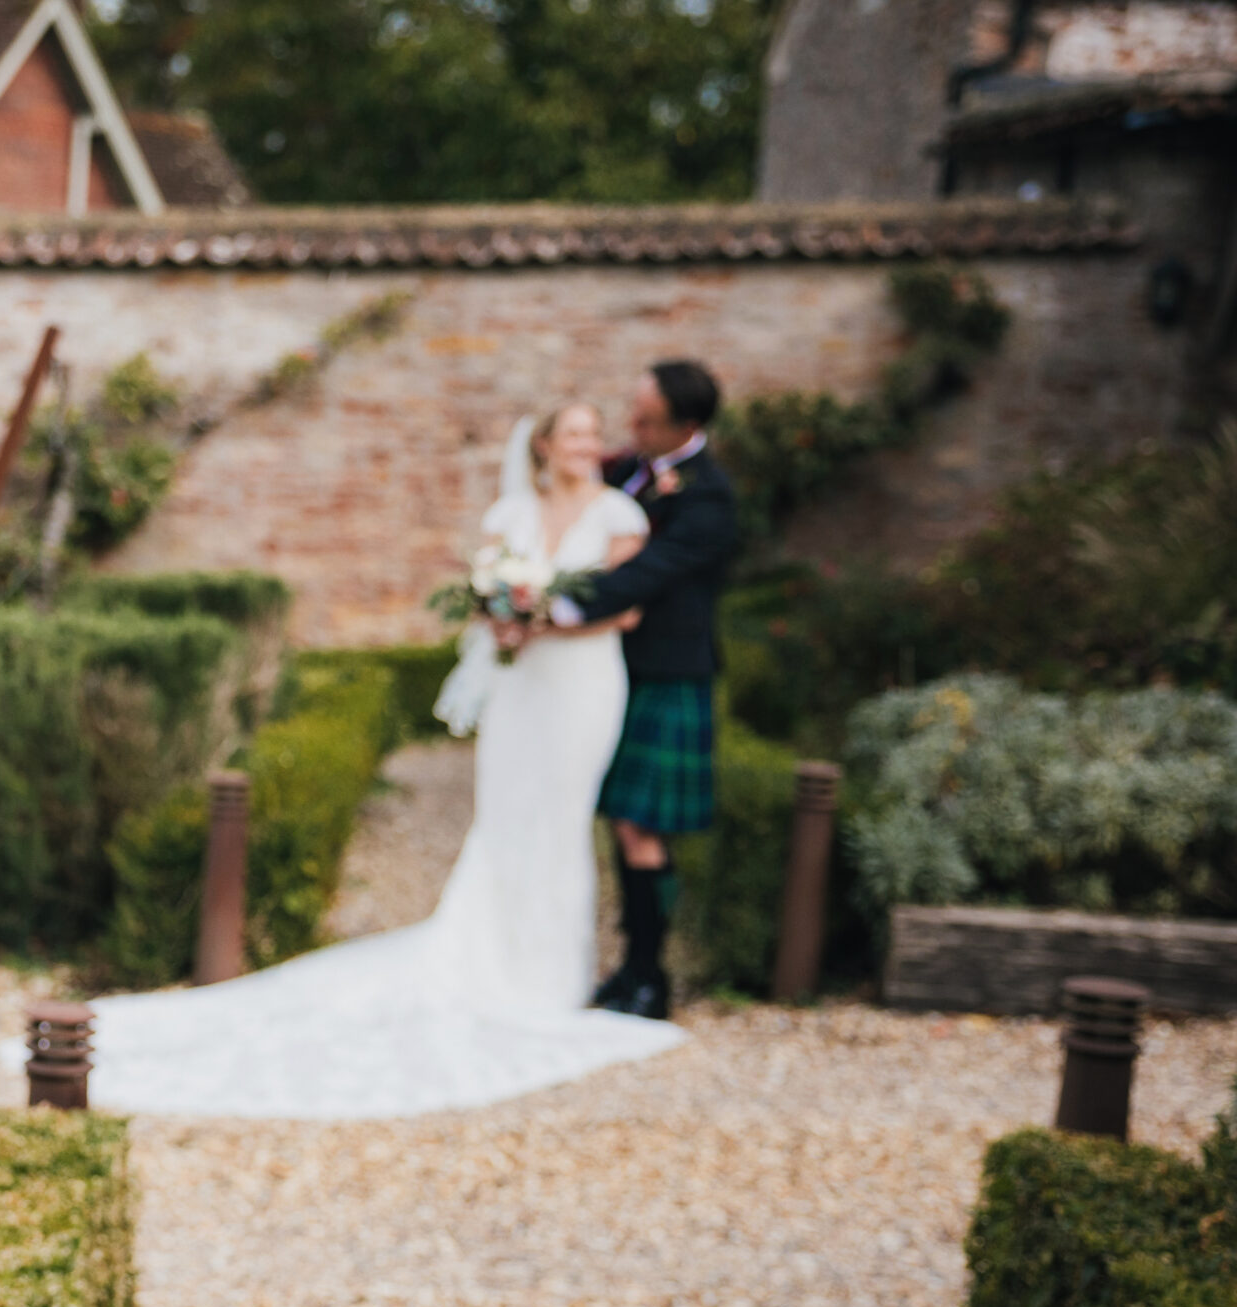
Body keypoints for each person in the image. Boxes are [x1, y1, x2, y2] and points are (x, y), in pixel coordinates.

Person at [64, 403, 683, 1119]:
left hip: (582, 683)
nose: (589, 443)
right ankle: (490, 953)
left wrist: (546, 618)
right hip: (523, 686)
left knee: (562, 812)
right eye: (574, 432)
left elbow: (626, 610)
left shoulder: (619, 515)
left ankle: (552, 973)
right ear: (545, 444)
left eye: (592, 432)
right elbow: (485, 600)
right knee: (507, 808)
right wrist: (508, 619)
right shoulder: (510, 515)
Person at [557, 360, 740, 1021]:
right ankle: (628, 964)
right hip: (616, 669)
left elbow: (652, 570)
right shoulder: (628, 469)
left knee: (642, 825)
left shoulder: (708, 496)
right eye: (632, 413)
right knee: (620, 819)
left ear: (684, 426)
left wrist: (561, 604)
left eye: (645, 419)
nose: (630, 427)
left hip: (670, 671)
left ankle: (649, 974)